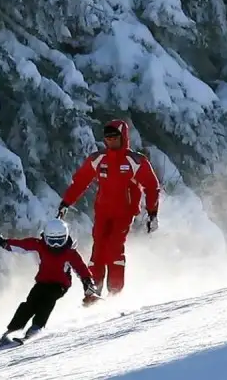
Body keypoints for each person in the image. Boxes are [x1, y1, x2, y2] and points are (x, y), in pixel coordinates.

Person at [57, 119, 160, 303]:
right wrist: (66, 202)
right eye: (108, 138)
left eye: (115, 137)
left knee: (114, 248)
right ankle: (93, 291)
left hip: (124, 213)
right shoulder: (99, 159)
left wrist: (152, 213)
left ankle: (115, 292)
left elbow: (152, 186)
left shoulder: (135, 161)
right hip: (103, 212)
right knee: (98, 251)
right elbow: (80, 182)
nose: (111, 141)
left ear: (123, 138)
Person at [0, 218, 99, 347]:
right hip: (42, 282)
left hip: (60, 285)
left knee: (47, 300)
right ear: (45, 238)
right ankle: (14, 329)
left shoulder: (70, 253)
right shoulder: (40, 245)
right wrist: (3, 242)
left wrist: (88, 282)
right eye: (52, 241)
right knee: (30, 302)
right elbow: (21, 245)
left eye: (59, 241)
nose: (55, 246)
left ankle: (37, 326)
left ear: (66, 237)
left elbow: (81, 268)